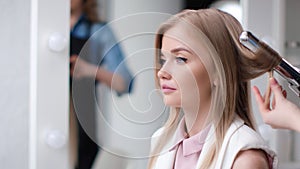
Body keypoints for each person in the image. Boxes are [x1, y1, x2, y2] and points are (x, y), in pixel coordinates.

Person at [147, 8, 277, 169]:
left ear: (219, 70)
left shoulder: (245, 158)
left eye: (180, 59)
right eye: (163, 60)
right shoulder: (160, 142)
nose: (162, 73)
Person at [70, 0, 133, 168]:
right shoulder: (44, 30)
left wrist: (89, 70)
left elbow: (124, 83)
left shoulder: (98, 31)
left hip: (81, 128)